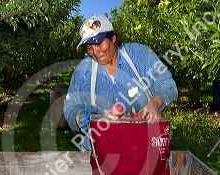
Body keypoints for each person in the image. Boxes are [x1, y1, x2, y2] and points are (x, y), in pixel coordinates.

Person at [63, 15, 178, 151]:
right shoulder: (84, 71)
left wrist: (155, 103)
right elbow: (70, 105)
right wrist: (78, 116)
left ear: (113, 38)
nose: (95, 52)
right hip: (100, 149)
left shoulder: (139, 55)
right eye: (89, 47)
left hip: (144, 145)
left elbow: (167, 84)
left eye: (99, 43)